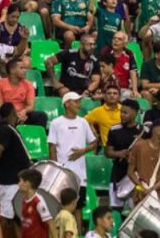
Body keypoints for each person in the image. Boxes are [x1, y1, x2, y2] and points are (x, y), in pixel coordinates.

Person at [49, 92, 98, 227]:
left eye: (79, 101)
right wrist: (56, 169)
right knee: (59, 207)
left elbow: (94, 143)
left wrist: (83, 151)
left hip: (79, 174)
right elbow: (52, 147)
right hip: (62, 175)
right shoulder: (56, 123)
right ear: (67, 103)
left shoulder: (83, 122)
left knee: (78, 207)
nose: (79, 104)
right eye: (75, 102)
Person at [0, 103, 32, 231]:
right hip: (8, 180)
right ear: (13, 113)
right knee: (7, 214)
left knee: (16, 216)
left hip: (15, 180)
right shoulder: (5, 129)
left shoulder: (12, 129)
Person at [127, 117, 160, 205]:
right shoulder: (139, 146)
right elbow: (130, 172)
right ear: (157, 131)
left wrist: (150, 189)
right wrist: (141, 188)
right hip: (141, 195)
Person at [104, 98, 142, 210]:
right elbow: (107, 152)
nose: (122, 115)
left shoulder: (142, 131)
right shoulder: (114, 130)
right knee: (116, 208)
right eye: (121, 112)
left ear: (135, 113)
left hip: (136, 174)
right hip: (118, 173)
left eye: (125, 112)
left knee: (135, 208)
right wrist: (119, 153)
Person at [0, 58, 46, 126]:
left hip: (22, 114)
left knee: (41, 116)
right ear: (12, 70)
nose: (25, 71)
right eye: (21, 68)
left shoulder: (28, 84)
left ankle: (35, 136)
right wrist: (14, 116)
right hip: (7, 114)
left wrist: (24, 111)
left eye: (25, 68)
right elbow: (0, 107)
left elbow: (31, 106)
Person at [17, 168, 54, 238]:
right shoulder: (25, 199)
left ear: (27, 183)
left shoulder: (38, 201)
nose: (18, 184)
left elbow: (51, 223)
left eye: (20, 181)